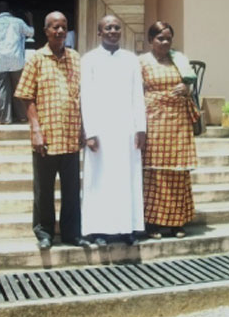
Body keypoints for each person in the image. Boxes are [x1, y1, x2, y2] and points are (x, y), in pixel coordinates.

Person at [14, 11, 88, 250]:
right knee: (44, 189)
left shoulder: (76, 58)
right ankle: (44, 232)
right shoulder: (36, 59)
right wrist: (35, 129)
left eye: (63, 27)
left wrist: (83, 128)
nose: (60, 31)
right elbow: (26, 95)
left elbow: (83, 96)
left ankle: (71, 233)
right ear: (46, 31)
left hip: (70, 135)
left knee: (71, 189)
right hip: (46, 136)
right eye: (55, 27)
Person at [80, 15, 146, 246]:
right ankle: (99, 229)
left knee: (126, 179)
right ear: (99, 32)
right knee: (100, 179)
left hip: (126, 128)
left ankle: (127, 228)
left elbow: (138, 95)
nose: (113, 31)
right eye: (108, 27)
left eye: (117, 27)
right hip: (101, 129)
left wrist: (141, 128)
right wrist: (90, 132)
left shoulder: (131, 60)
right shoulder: (89, 59)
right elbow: (86, 96)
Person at [139, 21, 199, 239]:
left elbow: (189, 83)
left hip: (178, 122)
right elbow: (135, 90)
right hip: (153, 119)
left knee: (178, 172)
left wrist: (186, 88)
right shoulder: (142, 62)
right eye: (160, 38)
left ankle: (177, 222)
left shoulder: (179, 60)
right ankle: (152, 223)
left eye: (168, 39)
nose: (165, 42)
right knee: (154, 171)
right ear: (150, 40)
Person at [0, 1, 33, 124]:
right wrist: (30, 20)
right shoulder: (19, 22)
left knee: (2, 90)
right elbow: (30, 34)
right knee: (19, 89)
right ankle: (23, 117)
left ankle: (5, 118)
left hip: (0, 62)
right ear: (9, 10)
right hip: (17, 61)